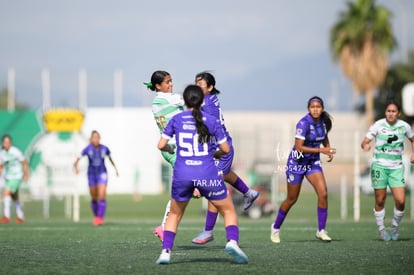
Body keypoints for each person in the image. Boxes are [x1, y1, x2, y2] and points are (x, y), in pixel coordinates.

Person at [155, 84, 248, 265]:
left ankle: (166, 252)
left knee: (175, 214)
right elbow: (225, 149)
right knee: (228, 209)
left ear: (185, 100)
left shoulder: (176, 119)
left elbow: (160, 145)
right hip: (208, 173)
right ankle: (232, 242)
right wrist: (215, 155)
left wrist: (170, 147)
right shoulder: (212, 120)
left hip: (183, 174)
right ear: (202, 100)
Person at [191, 72, 259, 244]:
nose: (197, 87)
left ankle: (208, 231)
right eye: (196, 83)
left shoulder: (207, 104)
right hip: (215, 150)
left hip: (222, 150)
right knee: (226, 175)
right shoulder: (208, 100)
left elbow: (208, 127)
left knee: (214, 187)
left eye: (200, 85)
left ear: (210, 87)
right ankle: (249, 192)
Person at [270, 96, 335, 243]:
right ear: (308, 109)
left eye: (318, 107)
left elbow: (324, 138)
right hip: (297, 163)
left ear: (322, 108)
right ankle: (275, 227)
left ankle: (321, 230)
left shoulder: (324, 123)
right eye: (312, 107)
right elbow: (299, 147)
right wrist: (322, 151)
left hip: (313, 163)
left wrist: (327, 149)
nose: (315, 109)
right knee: (292, 199)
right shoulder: (303, 123)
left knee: (323, 193)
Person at [360, 101, 414, 241]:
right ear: (385, 112)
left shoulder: (404, 126)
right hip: (379, 166)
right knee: (380, 199)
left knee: (401, 201)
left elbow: (413, 139)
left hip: (396, 167)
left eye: (393, 111)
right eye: (388, 111)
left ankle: (395, 226)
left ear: (398, 113)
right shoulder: (378, 125)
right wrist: (366, 145)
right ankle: (382, 230)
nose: (390, 113)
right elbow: (365, 141)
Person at [144, 70, 184, 241]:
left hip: (170, 148)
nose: (171, 84)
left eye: (171, 80)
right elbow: (193, 98)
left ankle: (164, 227)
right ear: (158, 86)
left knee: (182, 193)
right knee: (181, 193)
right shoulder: (169, 99)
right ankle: (164, 227)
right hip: (175, 149)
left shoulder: (157, 102)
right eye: (167, 82)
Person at [73, 130, 119, 226]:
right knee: (94, 197)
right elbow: (77, 159)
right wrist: (76, 167)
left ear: (99, 138)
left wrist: (115, 169)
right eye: (94, 137)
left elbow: (110, 158)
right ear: (91, 139)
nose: (96, 139)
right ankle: (96, 216)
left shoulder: (104, 149)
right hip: (91, 175)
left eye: (97, 137)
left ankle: (100, 218)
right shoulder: (87, 149)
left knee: (101, 195)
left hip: (102, 173)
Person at [0, 135, 29, 224]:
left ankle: (6, 216)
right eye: (5, 142)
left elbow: (24, 162)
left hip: (16, 176)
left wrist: (26, 174)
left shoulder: (15, 151)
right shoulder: (1, 152)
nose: (7, 144)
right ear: (3, 143)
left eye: (8, 142)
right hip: (8, 177)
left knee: (6, 193)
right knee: (14, 197)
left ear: (11, 143)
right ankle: (20, 217)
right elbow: (1, 166)